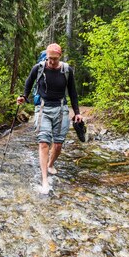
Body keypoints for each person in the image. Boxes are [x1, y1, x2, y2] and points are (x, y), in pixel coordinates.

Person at [16, 43, 83, 194]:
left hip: (61, 109)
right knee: (44, 142)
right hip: (43, 109)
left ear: (60, 56)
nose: (51, 62)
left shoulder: (67, 70)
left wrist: (77, 112)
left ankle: (50, 164)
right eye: (49, 58)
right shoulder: (39, 68)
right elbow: (29, 82)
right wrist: (24, 96)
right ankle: (44, 180)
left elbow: (72, 92)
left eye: (54, 58)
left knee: (58, 145)